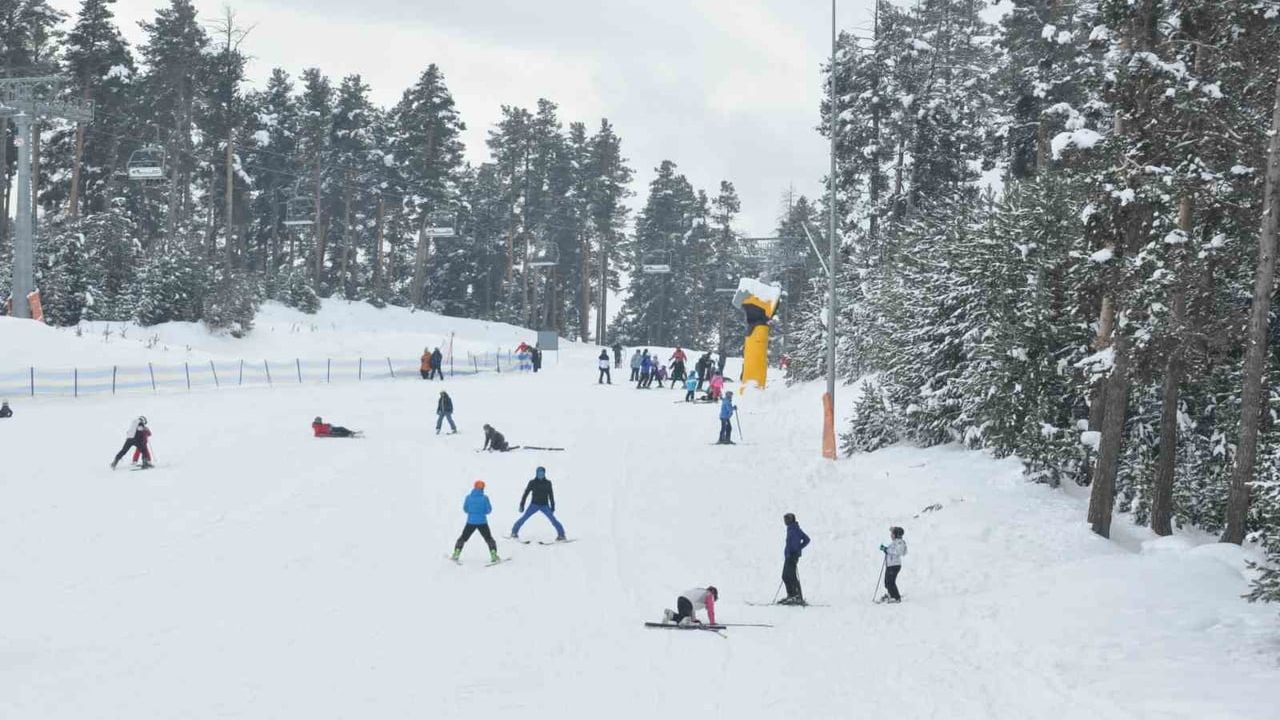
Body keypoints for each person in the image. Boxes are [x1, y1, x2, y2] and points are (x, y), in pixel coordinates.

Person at [511, 466, 566, 540]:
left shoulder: (548, 483)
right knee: (524, 518)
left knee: (553, 520)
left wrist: (552, 506)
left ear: (544, 474)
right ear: (536, 474)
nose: (541, 475)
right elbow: (526, 494)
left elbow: (551, 495)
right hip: (534, 505)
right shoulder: (532, 482)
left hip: (545, 506)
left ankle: (561, 535)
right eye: (539, 473)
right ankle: (514, 532)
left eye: (542, 473)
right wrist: (522, 505)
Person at [452, 480, 500, 563]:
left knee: (463, 538)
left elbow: (465, 509)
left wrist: (472, 512)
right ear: (482, 488)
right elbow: (489, 510)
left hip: (470, 522)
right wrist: (481, 512)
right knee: (489, 539)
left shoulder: (468, 497)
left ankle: (456, 553)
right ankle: (493, 555)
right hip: (482, 522)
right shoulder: (485, 498)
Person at [780, 513, 812, 605]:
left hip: (792, 557)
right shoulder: (790, 529)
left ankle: (796, 596)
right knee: (785, 576)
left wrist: (798, 549)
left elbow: (807, 539)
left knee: (791, 576)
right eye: (785, 519)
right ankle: (791, 596)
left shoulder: (795, 529)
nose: (785, 521)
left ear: (791, 520)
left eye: (787, 519)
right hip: (789, 556)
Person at [879, 526, 908, 603]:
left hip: (894, 565)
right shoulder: (895, 542)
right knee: (887, 582)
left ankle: (896, 597)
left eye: (892, 534)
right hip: (890, 565)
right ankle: (891, 594)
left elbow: (899, 552)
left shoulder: (899, 542)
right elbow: (891, 550)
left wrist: (887, 550)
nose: (891, 535)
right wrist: (885, 549)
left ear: (896, 535)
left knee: (890, 582)